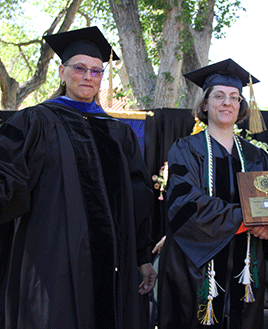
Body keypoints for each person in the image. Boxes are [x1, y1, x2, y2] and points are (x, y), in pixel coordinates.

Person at [0, 26, 156, 328]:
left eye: (96, 71)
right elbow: (8, 181)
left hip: (113, 263)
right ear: (61, 71)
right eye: (80, 68)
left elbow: (138, 198)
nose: (88, 77)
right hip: (52, 259)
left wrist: (141, 255)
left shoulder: (118, 133)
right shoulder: (35, 121)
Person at [157, 59, 268, 329]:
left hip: (246, 267)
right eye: (218, 96)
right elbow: (186, 205)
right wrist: (249, 218)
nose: (227, 103)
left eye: (234, 97)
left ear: (241, 106)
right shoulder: (185, 149)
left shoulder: (257, 157)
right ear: (205, 104)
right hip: (195, 268)